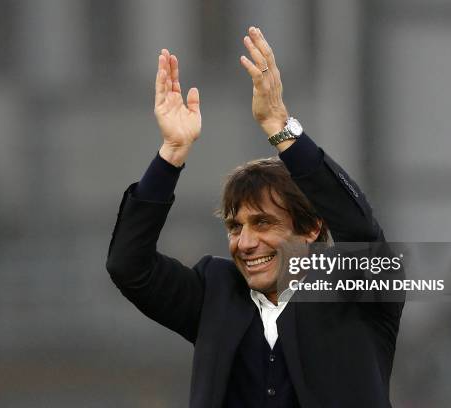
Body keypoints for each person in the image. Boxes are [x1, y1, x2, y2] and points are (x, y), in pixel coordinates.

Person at [106, 26, 403, 408]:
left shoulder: (356, 288)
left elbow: (360, 230)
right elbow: (128, 265)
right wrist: (171, 154)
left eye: (263, 223)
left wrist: (281, 129)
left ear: (311, 229)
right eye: (235, 227)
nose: (245, 243)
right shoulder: (215, 291)